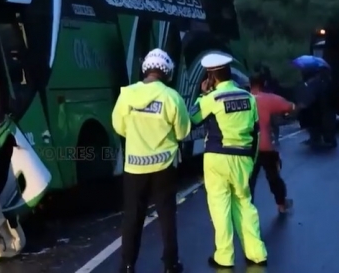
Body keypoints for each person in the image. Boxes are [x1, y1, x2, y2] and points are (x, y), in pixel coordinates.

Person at [112, 48, 189, 273]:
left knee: (132, 217)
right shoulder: (171, 96)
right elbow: (183, 132)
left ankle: (127, 265)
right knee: (166, 216)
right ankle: (170, 265)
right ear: (167, 72)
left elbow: (118, 126)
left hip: (134, 166)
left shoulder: (127, 94)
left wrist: (137, 136)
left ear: (145, 69)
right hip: (164, 167)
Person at [190, 52, 267, 269]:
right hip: (243, 159)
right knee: (245, 204)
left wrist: (202, 95)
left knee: (220, 207)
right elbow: (256, 132)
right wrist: (251, 162)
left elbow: (192, 119)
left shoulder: (211, 99)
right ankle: (257, 253)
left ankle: (224, 257)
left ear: (211, 77)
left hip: (217, 158)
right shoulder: (248, 97)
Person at [248, 75, 294, 214]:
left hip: (247, 147)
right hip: (265, 146)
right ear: (264, 83)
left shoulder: (243, 99)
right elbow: (290, 106)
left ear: (250, 84)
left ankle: (246, 210)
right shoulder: (269, 99)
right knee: (273, 177)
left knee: (249, 181)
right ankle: (281, 204)